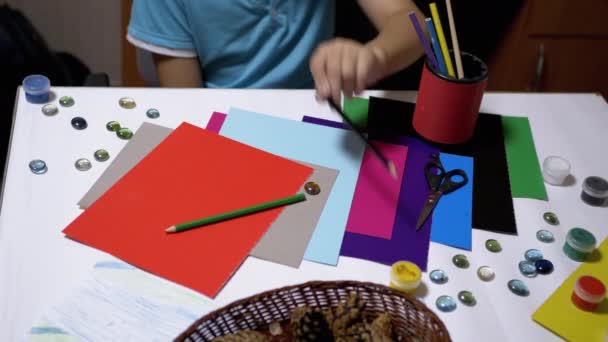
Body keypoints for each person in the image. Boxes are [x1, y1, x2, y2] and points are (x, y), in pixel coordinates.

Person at [127, 1, 426, 105]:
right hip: (221, 116)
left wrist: (375, 56)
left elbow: (414, 25)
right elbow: (189, 107)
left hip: (319, 109)